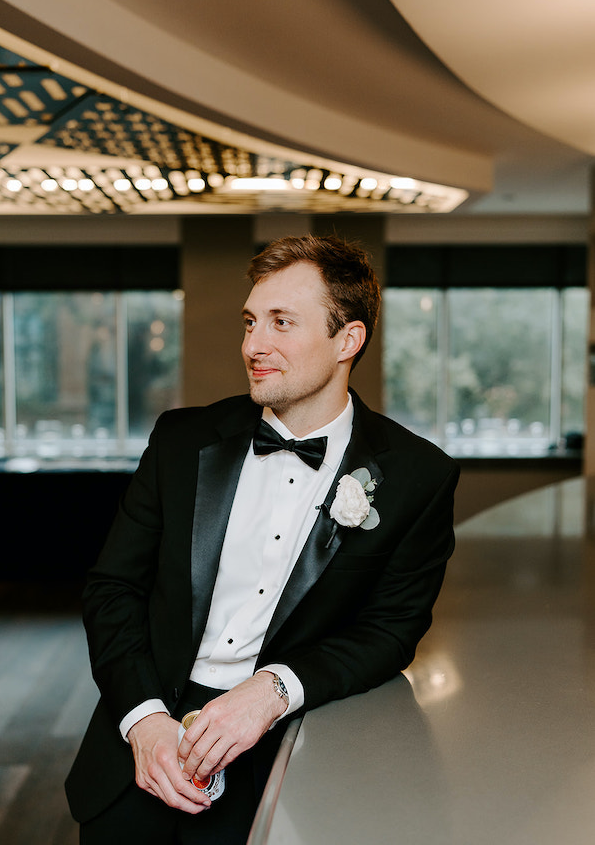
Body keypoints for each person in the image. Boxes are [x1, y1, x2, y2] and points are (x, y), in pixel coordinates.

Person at [65, 234, 460, 844]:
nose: (254, 345)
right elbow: (112, 587)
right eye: (250, 321)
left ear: (347, 340)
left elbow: (391, 630)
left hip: (292, 753)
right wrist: (143, 720)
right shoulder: (180, 439)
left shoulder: (418, 476)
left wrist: (275, 690)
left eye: (282, 322)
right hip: (142, 736)